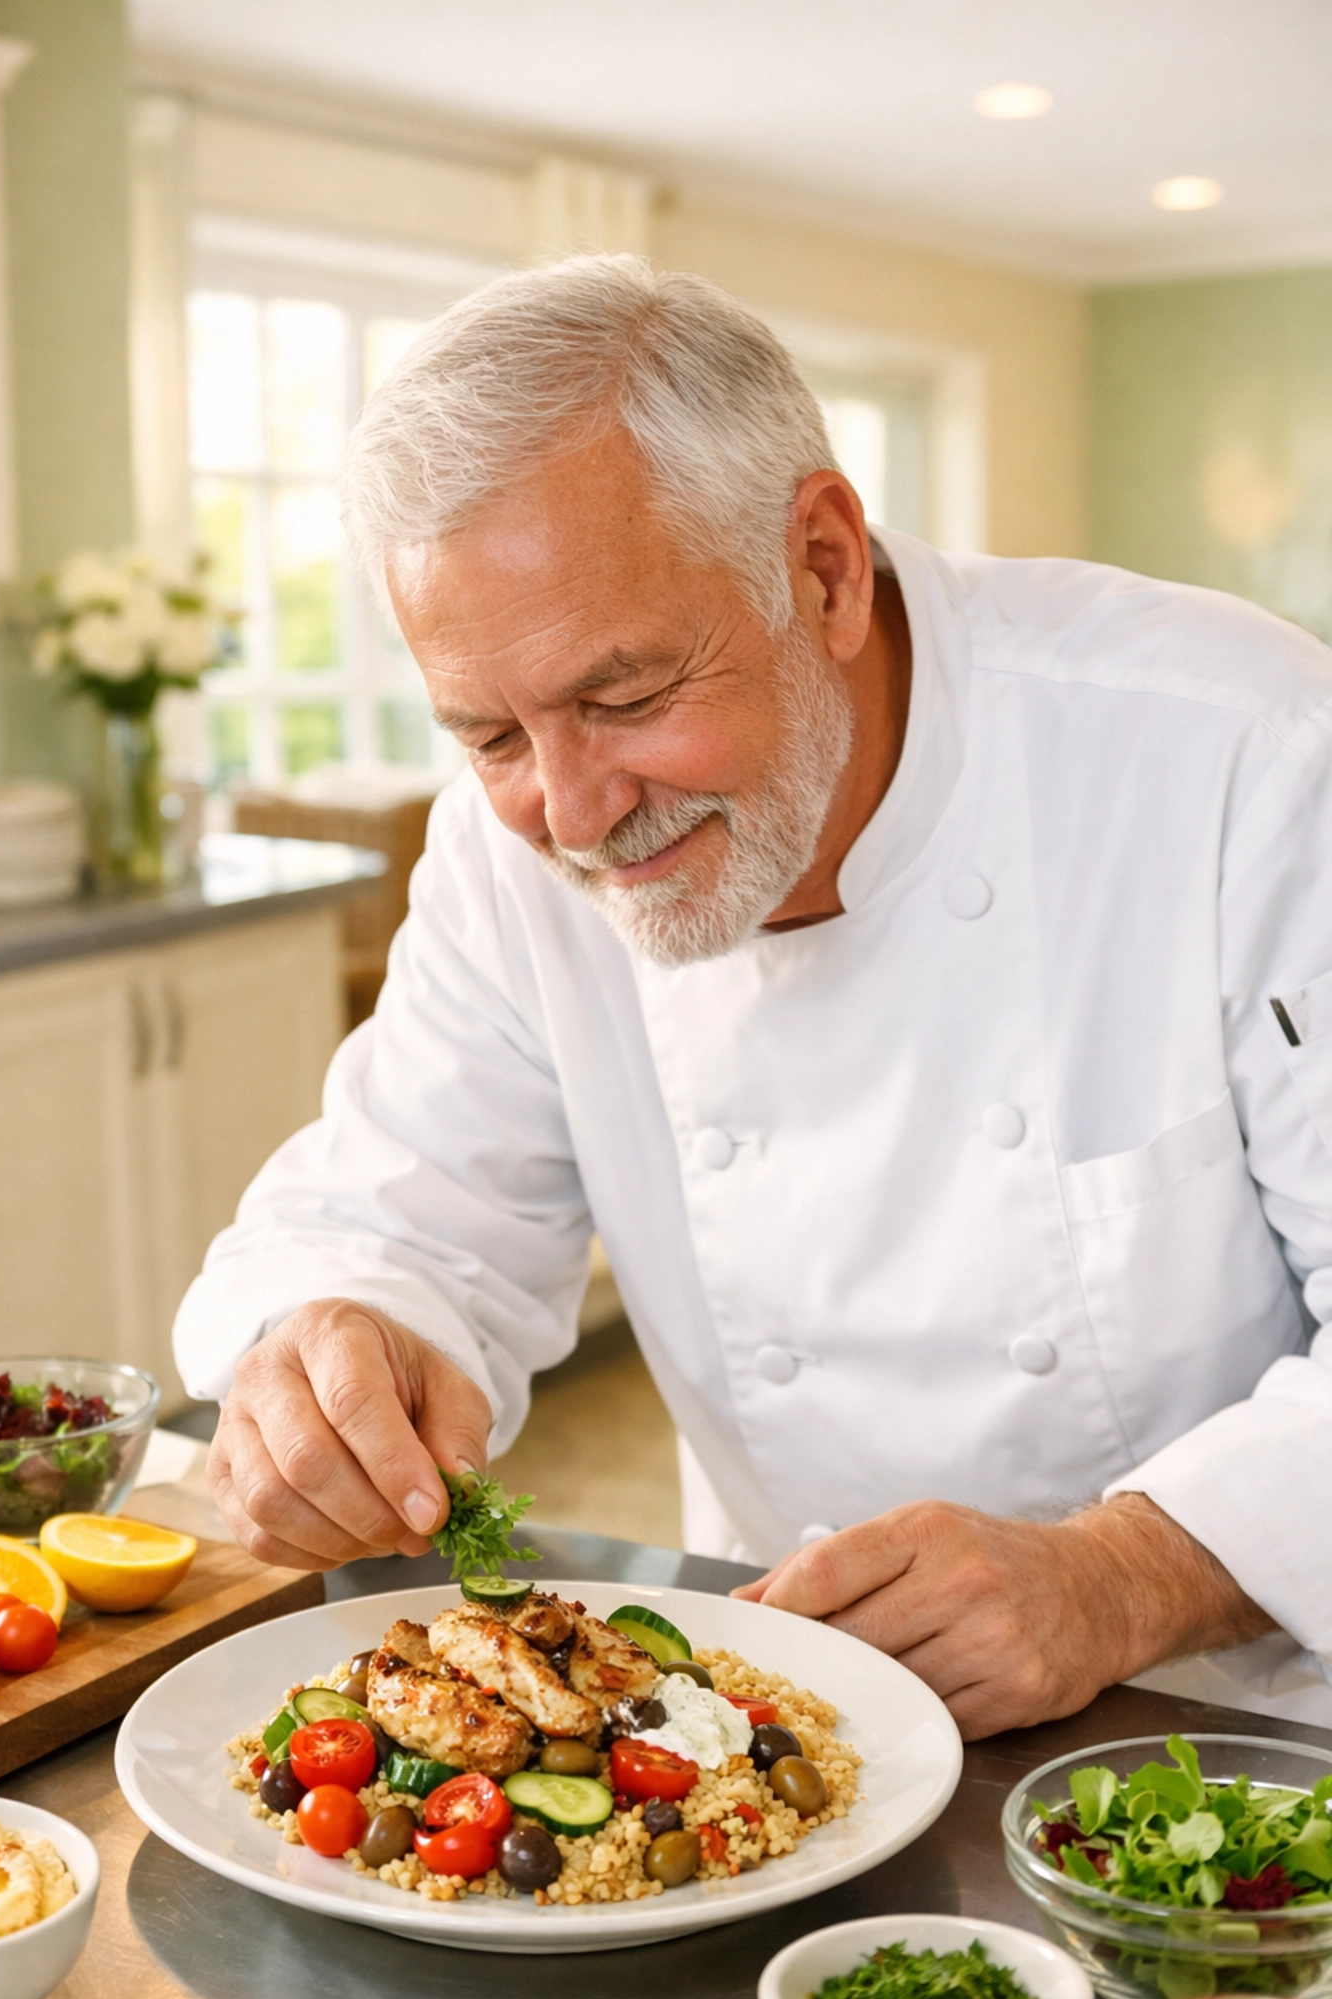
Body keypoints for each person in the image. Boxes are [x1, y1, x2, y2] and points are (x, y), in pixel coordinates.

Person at [174, 256, 1332, 1738]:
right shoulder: (510, 839)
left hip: (1254, 1737)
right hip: (780, 1725)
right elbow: (399, 1206)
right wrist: (338, 1339)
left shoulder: (1244, 754)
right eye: (490, 735)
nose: (574, 813)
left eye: (628, 697)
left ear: (826, 567)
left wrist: (1121, 1573)